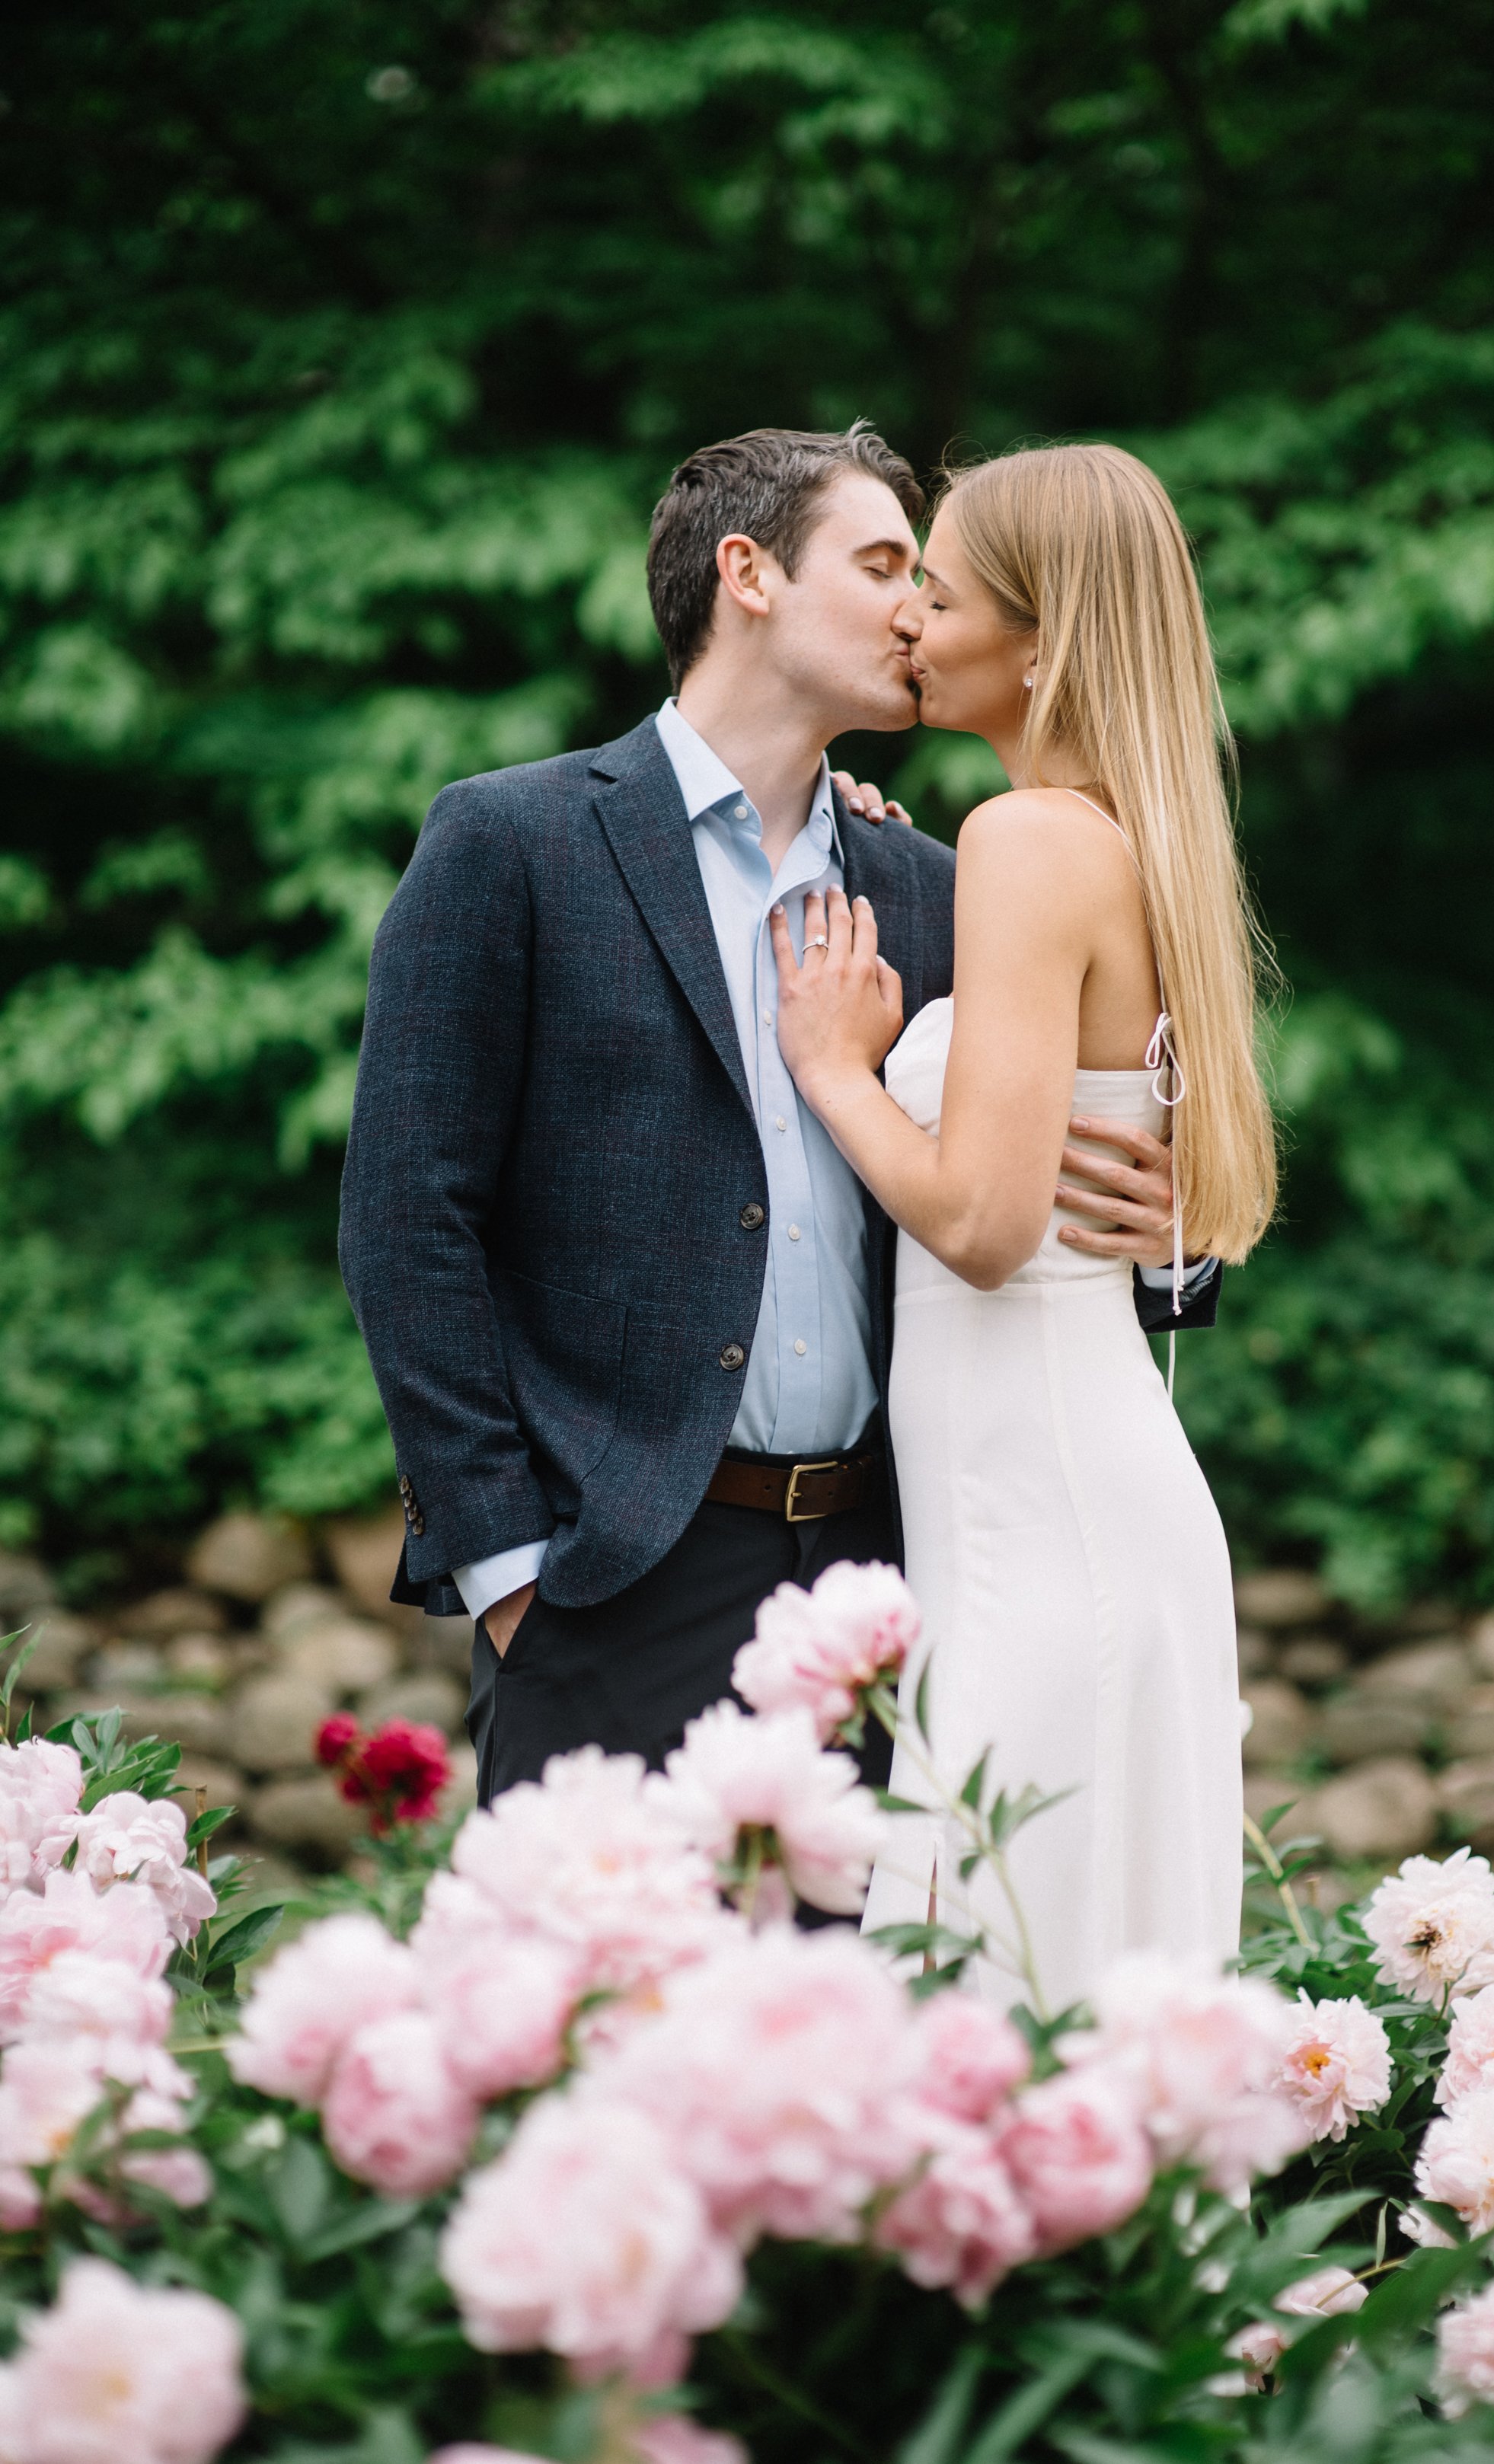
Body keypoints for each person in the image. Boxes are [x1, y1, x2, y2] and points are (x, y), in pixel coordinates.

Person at [338, 423, 1217, 1809]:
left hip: (901, 1587)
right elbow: (407, 1224)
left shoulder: (937, 880)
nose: (917, 608)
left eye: (929, 577)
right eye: (882, 565)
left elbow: (1032, 1180)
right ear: (747, 573)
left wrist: (1172, 1238)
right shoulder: (509, 843)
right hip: (614, 1581)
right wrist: (508, 1573)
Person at [774, 443, 1274, 2007]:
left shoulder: (1032, 840)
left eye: (938, 584)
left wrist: (839, 1071)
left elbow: (984, 1226)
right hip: (1066, 1503)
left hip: (1043, 1536)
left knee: (1001, 1990)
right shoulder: (1102, 835)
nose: (910, 614)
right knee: (1071, 1998)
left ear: (1043, 637)